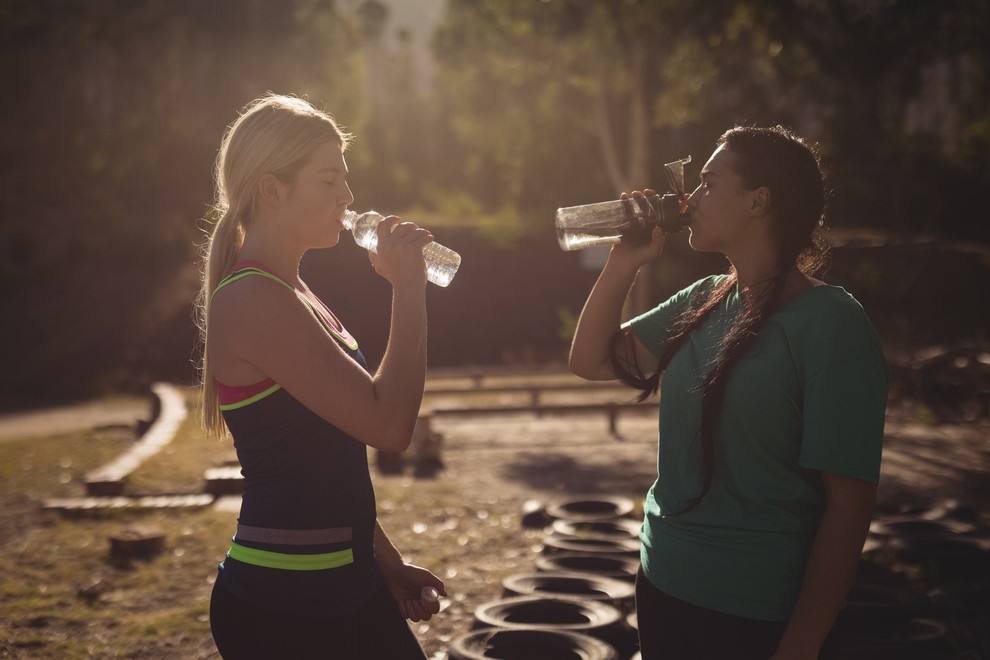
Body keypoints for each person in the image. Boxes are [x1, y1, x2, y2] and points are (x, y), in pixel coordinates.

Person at [568, 126, 888, 660]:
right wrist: (623, 262)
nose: (689, 200)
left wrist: (802, 644)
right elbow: (590, 361)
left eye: (709, 183)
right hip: (664, 580)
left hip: (754, 610)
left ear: (759, 201)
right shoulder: (704, 300)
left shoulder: (831, 323)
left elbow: (850, 507)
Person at [196, 93, 446, 659]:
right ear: (272, 188)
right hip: (284, 602)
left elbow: (327, 459)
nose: (349, 197)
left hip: (347, 579)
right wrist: (408, 289)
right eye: (330, 179)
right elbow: (389, 426)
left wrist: (386, 561)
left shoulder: (294, 293)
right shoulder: (256, 298)